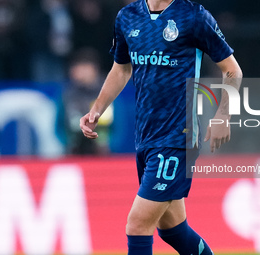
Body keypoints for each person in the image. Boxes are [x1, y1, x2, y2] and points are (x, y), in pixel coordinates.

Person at [80, 0, 242, 254]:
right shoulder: (128, 17)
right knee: (173, 230)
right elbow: (121, 69)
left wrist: (224, 115)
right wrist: (97, 109)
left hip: (178, 138)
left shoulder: (194, 16)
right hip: (146, 138)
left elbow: (232, 70)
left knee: (137, 224)